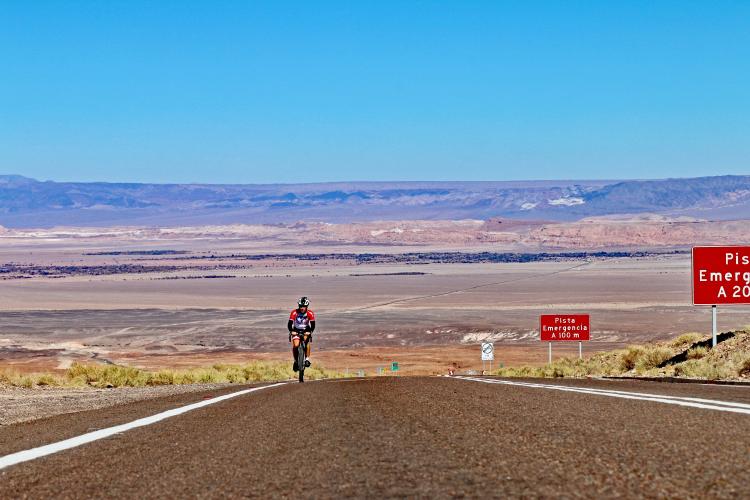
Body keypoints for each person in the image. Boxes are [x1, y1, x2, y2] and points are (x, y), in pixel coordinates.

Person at [288, 296, 315, 371]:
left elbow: (313, 325)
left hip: (306, 329)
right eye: (300, 306)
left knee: (306, 342)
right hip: (296, 329)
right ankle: (296, 361)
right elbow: (289, 323)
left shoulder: (310, 313)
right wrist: (291, 331)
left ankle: (307, 359)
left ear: (307, 307)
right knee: (296, 345)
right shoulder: (294, 312)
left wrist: (310, 331)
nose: (302, 308)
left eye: (304, 306)